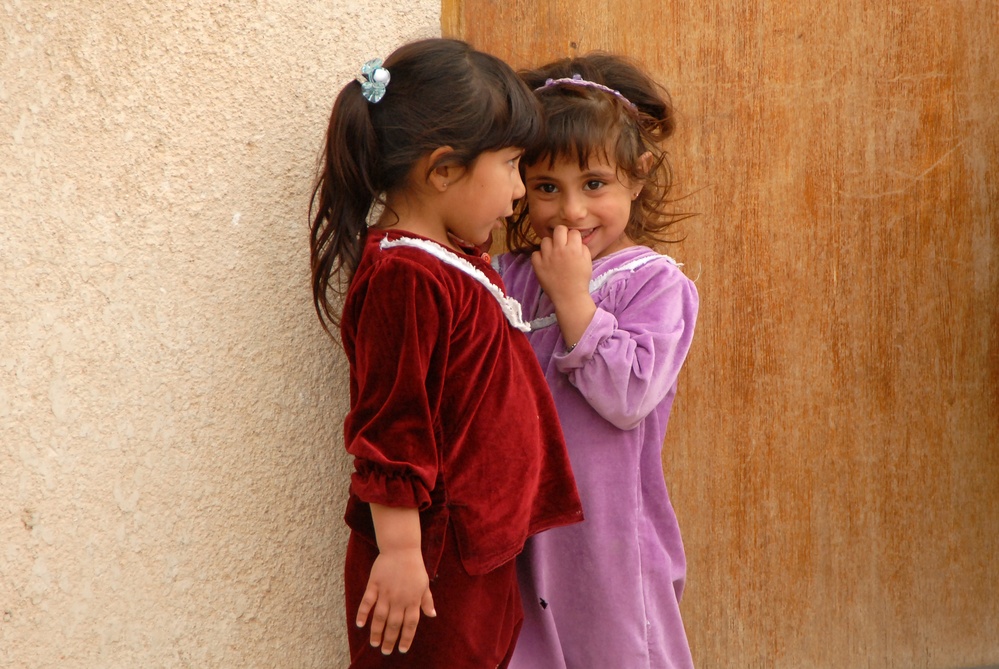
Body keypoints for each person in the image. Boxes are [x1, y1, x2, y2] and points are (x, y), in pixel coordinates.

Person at [309, 38, 583, 668]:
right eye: (513, 166)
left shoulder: (452, 262)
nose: (519, 192)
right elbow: (393, 423)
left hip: (474, 551)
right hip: (430, 560)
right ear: (442, 171)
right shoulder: (406, 277)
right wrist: (401, 554)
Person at [495, 53, 699, 669]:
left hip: (608, 533)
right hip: (526, 523)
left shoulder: (655, 284)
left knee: (615, 650)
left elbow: (629, 396)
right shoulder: (510, 275)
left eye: (595, 185)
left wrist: (572, 299)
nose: (571, 212)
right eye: (547, 188)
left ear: (638, 177)